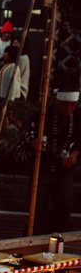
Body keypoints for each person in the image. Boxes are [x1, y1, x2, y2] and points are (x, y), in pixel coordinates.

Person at [38, 89, 78, 232]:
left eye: (72, 105)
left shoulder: (78, 116)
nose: (69, 108)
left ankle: (61, 233)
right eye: (65, 104)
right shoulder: (44, 115)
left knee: (64, 200)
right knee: (40, 202)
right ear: (58, 102)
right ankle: (37, 234)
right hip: (43, 164)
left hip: (65, 168)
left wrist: (75, 155)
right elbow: (30, 135)